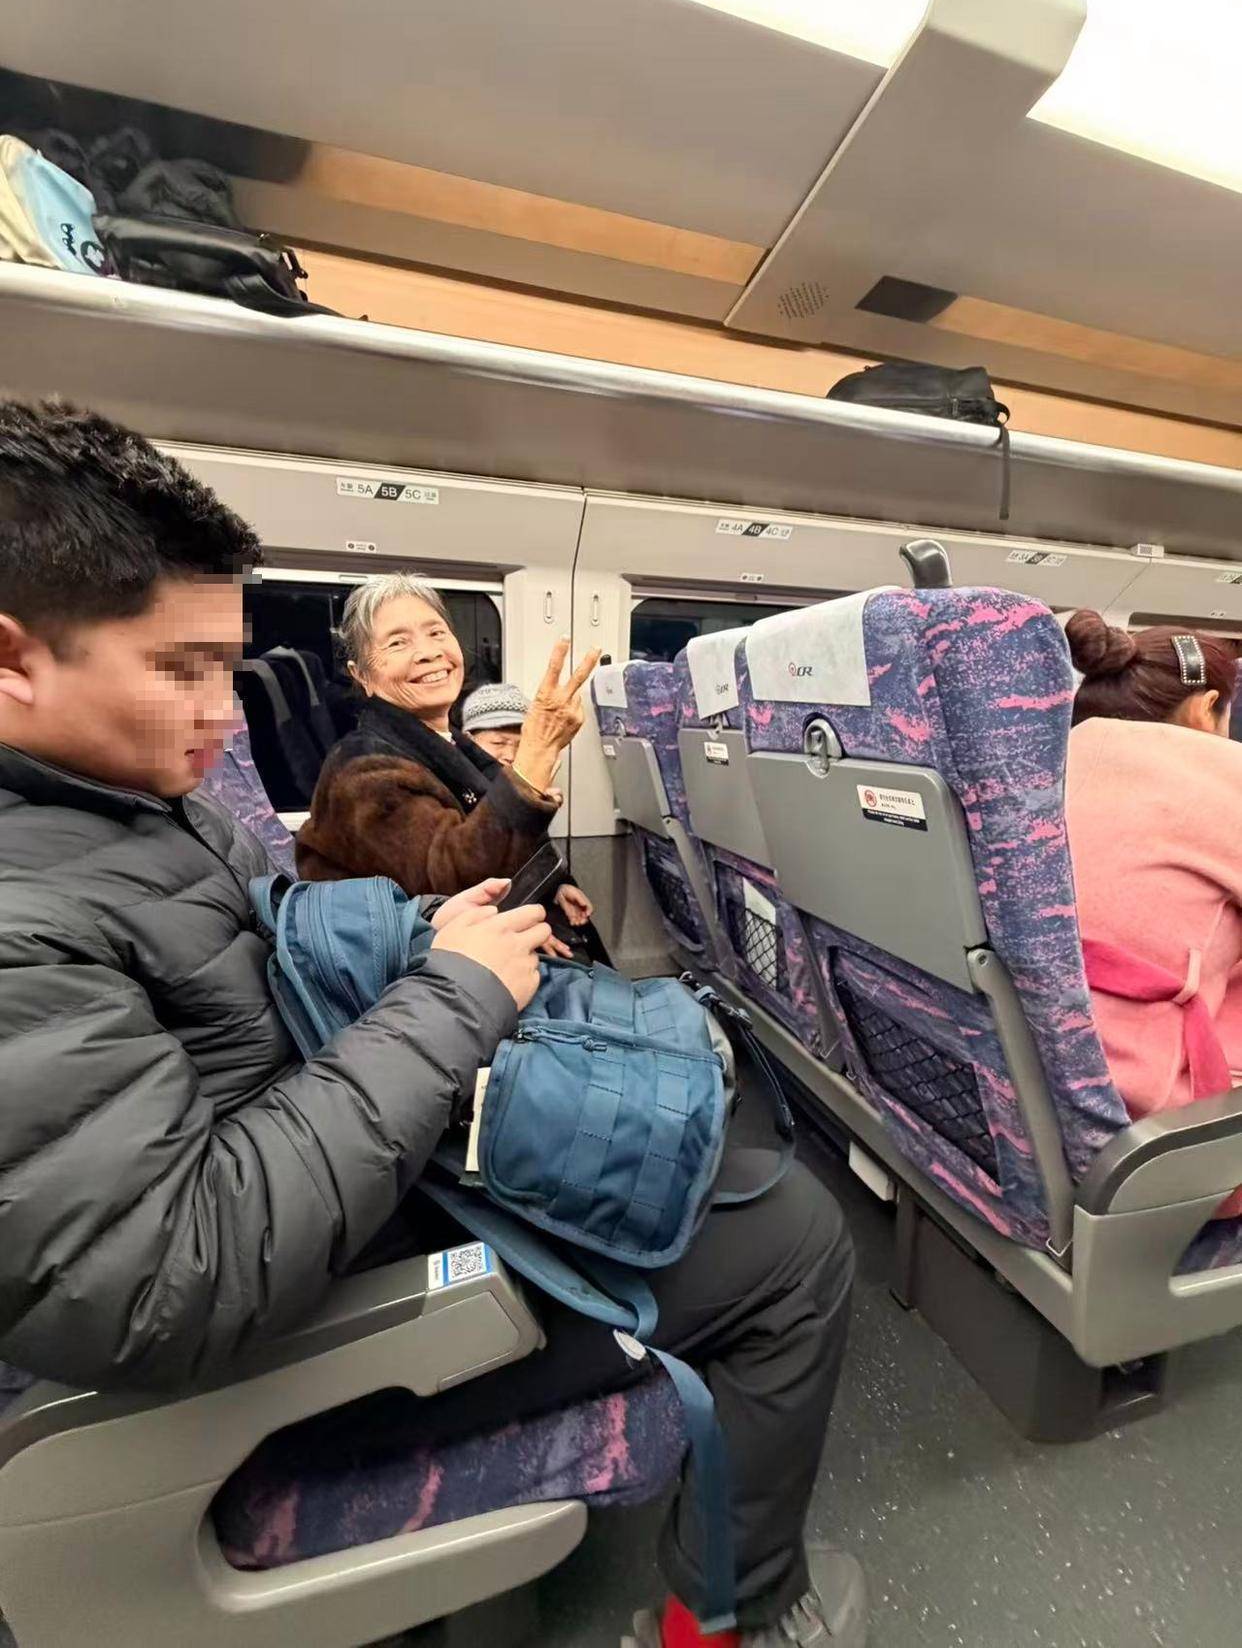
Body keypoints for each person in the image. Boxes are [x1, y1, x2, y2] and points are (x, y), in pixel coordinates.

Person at [0, 403, 865, 1647]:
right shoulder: (27, 913)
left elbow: (282, 934)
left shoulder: (141, 807)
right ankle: (729, 1619)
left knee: (697, 1143)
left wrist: (422, 933)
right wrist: (454, 991)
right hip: (303, 1335)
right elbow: (167, 1278)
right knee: (794, 1243)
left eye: (228, 669)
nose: (223, 713)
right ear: (15, 660)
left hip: (362, 1193)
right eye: (178, 670)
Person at [296, 574, 599, 954]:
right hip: (426, 969)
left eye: (436, 633)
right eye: (398, 642)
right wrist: (537, 752)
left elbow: (496, 825)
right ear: (362, 676)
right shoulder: (360, 772)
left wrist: (554, 884)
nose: (428, 652)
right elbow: (457, 885)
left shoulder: (451, 741)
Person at [1064, 610, 1242, 1213]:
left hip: (1042, 1071)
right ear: (1206, 708)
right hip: (1150, 1118)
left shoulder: (1051, 757)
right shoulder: (1222, 774)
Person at [462, 677, 594, 932]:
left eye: (521, 744)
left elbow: (528, 852)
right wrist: (521, 925)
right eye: (498, 743)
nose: (510, 755)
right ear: (470, 739)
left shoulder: (523, 786)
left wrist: (557, 886)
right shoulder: (458, 788)